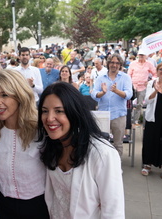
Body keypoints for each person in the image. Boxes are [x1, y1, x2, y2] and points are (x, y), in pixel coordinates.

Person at [37, 82, 124, 218]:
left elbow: (113, 211)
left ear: (74, 112)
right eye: (45, 111)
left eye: (59, 111)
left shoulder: (102, 153)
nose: (49, 118)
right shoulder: (51, 146)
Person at [0, 69, 49, 218]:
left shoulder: (41, 129)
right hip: (3, 204)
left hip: (38, 206)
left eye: (4, 95)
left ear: (20, 95)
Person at [91, 54, 133, 156]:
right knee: (101, 144)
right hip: (103, 115)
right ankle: (103, 168)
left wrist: (116, 91)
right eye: (112, 62)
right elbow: (93, 94)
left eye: (117, 63)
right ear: (108, 63)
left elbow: (129, 95)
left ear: (120, 65)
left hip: (118, 115)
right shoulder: (101, 77)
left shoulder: (125, 77)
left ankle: (116, 169)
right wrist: (102, 93)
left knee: (118, 144)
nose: (114, 65)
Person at [128, 49, 156, 125]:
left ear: (145, 56)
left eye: (142, 55)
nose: (141, 57)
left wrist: (150, 81)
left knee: (140, 104)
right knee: (129, 103)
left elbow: (155, 73)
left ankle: (136, 120)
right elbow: (129, 74)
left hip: (143, 86)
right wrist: (129, 83)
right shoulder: (133, 63)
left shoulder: (149, 64)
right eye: (140, 55)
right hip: (133, 86)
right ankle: (128, 119)